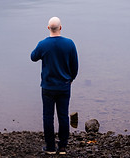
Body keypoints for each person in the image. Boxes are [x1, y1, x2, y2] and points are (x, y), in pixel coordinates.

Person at [31, 16, 78, 155]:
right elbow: (75, 66)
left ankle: (50, 147)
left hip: (48, 87)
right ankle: (62, 147)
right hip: (64, 86)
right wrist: (70, 79)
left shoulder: (43, 44)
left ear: (48, 28)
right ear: (61, 27)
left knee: (48, 116)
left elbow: (33, 57)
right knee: (63, 116)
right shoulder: (70, 44)